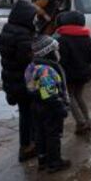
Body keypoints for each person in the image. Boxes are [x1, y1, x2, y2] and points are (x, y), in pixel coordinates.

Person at [0, 0, 37, 162]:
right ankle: (28, 146)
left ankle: (26, 144)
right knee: (30, 113)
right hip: (23, 80)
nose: (34, 19)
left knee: (24, 112)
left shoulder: (7, 30)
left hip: (12, 77)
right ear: (25, 16)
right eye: (32, 16)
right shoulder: (22, 34)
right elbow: (26, 61)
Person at [25, 35, 70, 173]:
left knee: (40, 133)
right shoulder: (46, 70)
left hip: (36, 105)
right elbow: (49, 94)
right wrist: (61, 108)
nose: (58, 52)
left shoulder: (32, 66)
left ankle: (42, 160)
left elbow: (31, 88)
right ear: (48, 52)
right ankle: (55, 163)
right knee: (53, 135)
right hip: (49, 108)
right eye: (56, 49)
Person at [55, 11, 91, 135]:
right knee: (79, 96)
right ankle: (87, 121)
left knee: (70, 97)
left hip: (69, 75)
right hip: (84, 74)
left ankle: (81, 123)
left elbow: (62, 61)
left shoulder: (62, 40)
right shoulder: (89, 39)